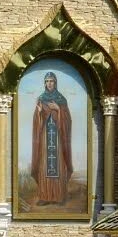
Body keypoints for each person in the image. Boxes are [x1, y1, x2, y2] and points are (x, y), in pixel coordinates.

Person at [30, 71, 73, 204]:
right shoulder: (41, 99)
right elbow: (37, 121)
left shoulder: (61, 99)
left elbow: (67, 120)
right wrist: (38, 114)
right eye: (47, 81)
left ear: (55, 83)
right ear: (45, 83)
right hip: (45, 138)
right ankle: (44, 196)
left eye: (51, 81)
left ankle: (59, 196)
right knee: (44, 165)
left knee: (58, 164)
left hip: (58, 139)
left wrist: (58, 109)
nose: (49, 84)